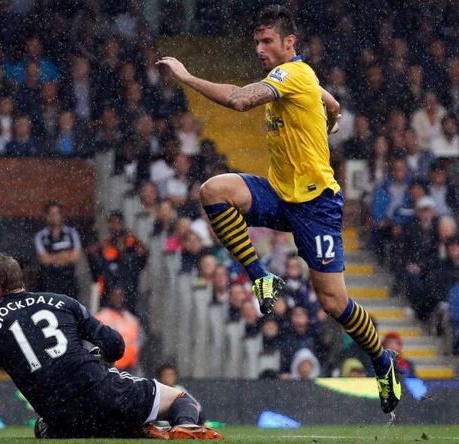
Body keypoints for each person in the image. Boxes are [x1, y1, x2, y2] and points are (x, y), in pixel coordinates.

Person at [157, 5, 401, 413]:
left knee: (333, 304)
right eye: (256, 41)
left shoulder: (293, 74)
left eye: (267, 41)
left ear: (290, 43)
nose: (259, 48)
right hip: (281, 193)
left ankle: (382, 361)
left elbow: (239, 100)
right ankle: (261, 278)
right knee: (214, 191)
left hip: (316, 205)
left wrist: (185, 77)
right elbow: (331, 100)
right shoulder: (298, 77)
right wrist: (334, 114)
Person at [0, 253, 221, 441]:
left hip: (61, 418)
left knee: (42, 427)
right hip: (103, 393)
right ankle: (182, 426)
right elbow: (115, 345)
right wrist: (101, 357)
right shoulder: (63, 302)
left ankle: (133, 428)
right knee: (182, 398)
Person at [34, 201, 82, 299]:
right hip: (49, 282)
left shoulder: (72, 233)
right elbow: (44, 259)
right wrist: (65, 255)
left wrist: (53, 257)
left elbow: (76, 256)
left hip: (69, 280)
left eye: (57, 214)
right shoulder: (40, 236)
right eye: (51, 214)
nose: (55, 217)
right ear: (46, 216)